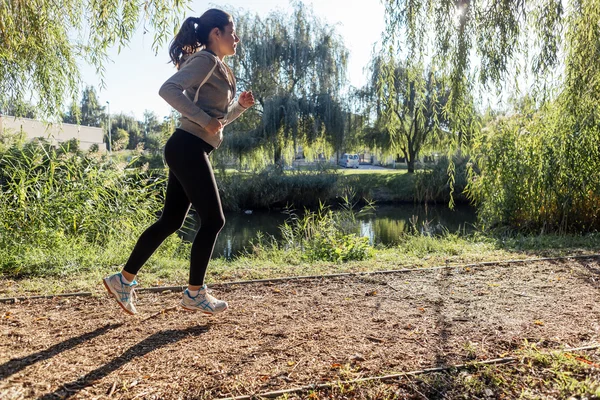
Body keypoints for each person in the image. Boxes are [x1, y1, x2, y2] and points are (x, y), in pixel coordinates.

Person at [103, 8, 255, 315]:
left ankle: (123, 280)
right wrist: (201, 118)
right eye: (232, 31)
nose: (236, 37)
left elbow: (217, 122)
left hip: (189, 147)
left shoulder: (221, 69)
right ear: (216, 34)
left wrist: (238, 107)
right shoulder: (205, 60)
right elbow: (167, 90)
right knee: (214, 220)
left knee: (171, 221)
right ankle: (194, 293)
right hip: (187, 147)